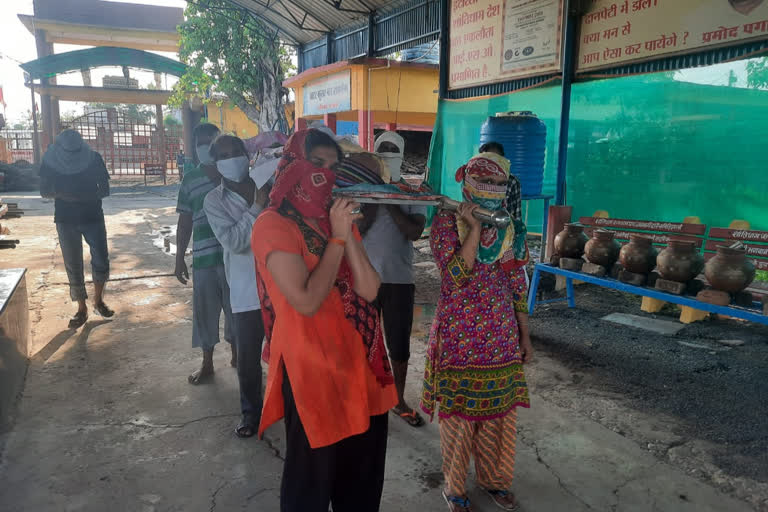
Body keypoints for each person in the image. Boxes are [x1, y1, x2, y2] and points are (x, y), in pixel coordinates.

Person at [251, 129, 397, 512]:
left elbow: (368, 289)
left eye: (333, 167)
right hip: (313, 376)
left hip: (361, 368)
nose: (325, 175)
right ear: (291, 165)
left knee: (360, 490)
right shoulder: (272, 225)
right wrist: (336, 238)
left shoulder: (332, 219)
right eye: (316, 163)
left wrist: (344, 232)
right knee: (309, 491)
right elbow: (306, 300)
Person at [421, 152, 533, 512]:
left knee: (499, 417)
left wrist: (525, 335)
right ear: (468, 182)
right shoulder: (444, 222)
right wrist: (472, 230)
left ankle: (494, 481)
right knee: (459, 420)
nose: (494, 190)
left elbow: (517, 284)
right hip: (459, 336)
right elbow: (455, 279)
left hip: (500, 338)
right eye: (486, 182)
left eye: (501, 184)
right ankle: (454, 490)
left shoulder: (509, 228)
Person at [359, 130, 427, 427]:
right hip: (364, 277)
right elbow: (355, 231)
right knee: (363, 343)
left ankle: (398, 400)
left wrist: (389, 198)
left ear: (400, 153)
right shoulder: (360, 190)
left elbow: (414, 232)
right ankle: (367, 397)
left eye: (392, 149)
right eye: (382, 148)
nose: (387, 153)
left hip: (399, 278)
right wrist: (376, 197)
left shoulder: (414, 192)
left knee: (398, 344)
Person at [204, 134, 269, 438]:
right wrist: (257, 208)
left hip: (282, 286)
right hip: (245, 291)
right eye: (224, 155)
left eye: (236, 152)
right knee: (247, 360)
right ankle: (250, 414)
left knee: (286, 354)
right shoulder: (213, 201)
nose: (232, 159)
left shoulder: (267, 182)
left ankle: (287, 408)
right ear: (215, 164)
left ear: (247, 154)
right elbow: (234, 242)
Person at [174, 123, 235, 385]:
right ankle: (207, 363)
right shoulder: (190, 179)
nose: (204, 147)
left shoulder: (234, 174)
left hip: (235, 257)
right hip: (204, 258)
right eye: (199, 142)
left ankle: (238, 356)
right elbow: (184, 221)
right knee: (205, 313)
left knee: (237, 311)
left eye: (209, 141)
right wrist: (179, 259)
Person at [40, 129, 114, 329]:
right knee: (73, 264)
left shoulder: (93, 159)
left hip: (93, 217)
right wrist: (61, 195)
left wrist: (85, 197)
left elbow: (105, 189)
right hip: (66, 219)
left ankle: (98, 301)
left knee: (101, 259)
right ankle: (82, 308)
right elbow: (44, 190)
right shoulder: (51, 161)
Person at [479, 141, 522, 221]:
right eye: (488, 158)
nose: (492, 163)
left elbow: (516, 214)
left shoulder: (512, 181)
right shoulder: (473, 179)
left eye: (496, 159)